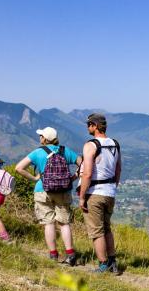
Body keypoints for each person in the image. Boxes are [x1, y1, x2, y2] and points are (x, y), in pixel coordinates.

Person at [15, 127, 81, 265]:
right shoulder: (65, 151)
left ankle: (53, 255)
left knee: (48, 223)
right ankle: (70, 254)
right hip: (63, 190)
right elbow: (83, 164)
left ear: (44, 139)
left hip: (42, 189)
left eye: (41, 136)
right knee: (64, 223)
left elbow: (18, 168)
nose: (40, 138)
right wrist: (72, 178)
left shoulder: (38, 152)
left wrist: (34, 178)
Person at [78, 113, 122, 273]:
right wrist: (113, 186)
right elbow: (118, 168)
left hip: (95, 192)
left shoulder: (90, 145)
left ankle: (103, 264)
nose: (87, 127)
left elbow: (87, 174)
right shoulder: (115, 144)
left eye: (89, 124)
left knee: (96, 231)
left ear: (95, 126)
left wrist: (82, 197)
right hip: (110, 192)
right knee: (107, 228)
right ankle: (113, 261)